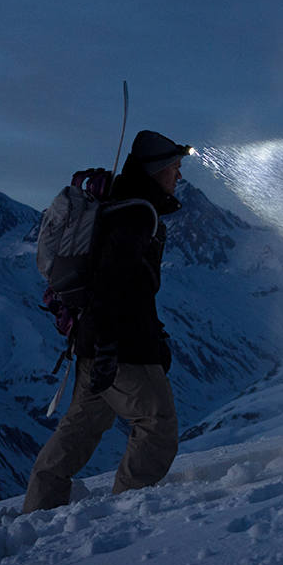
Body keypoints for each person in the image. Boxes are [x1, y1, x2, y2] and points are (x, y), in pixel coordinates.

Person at [23, 130, 191, 513]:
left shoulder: (123, 206)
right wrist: (110, 347)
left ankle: (37, 511)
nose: (178, 177)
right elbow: (114, 284)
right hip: (120, 347)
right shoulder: (135, 214)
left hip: (93, 342)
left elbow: (122, 285)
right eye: (174, 168)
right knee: (158, 425)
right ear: (155, 170)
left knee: (79, 429)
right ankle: (127, 515)